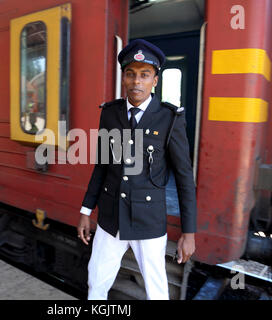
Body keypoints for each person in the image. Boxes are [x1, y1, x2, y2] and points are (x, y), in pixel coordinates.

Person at [77, 39, 197, 300]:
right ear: (123, 78)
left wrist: (189, 232)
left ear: (155, 80)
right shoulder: (110, 114)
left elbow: (185, 178)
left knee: (156, 291)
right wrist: (86, 210)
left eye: (144, 75)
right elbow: (102, 166)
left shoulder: (169, 118)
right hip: (110, 219)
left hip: (149, 221)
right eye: (130, 74)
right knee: (96, 282)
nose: (136, 82)